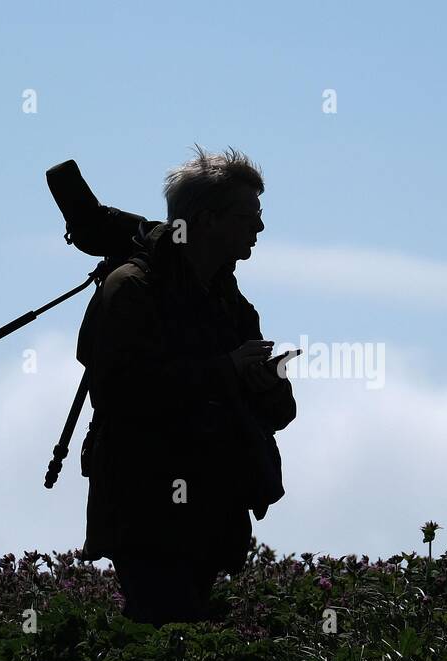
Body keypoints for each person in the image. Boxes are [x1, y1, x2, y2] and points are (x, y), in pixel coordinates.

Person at [75, 145, 296, 626]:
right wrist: (228, 369)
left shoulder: (232, 303)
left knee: (181, 648)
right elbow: (120, 393)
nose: (258, 228)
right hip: (144, 512)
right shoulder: (131, 290)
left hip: (211, 517)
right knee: (167, 639)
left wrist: (267, 382)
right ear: (209, 219)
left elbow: (279, 413)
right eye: (248, 215)